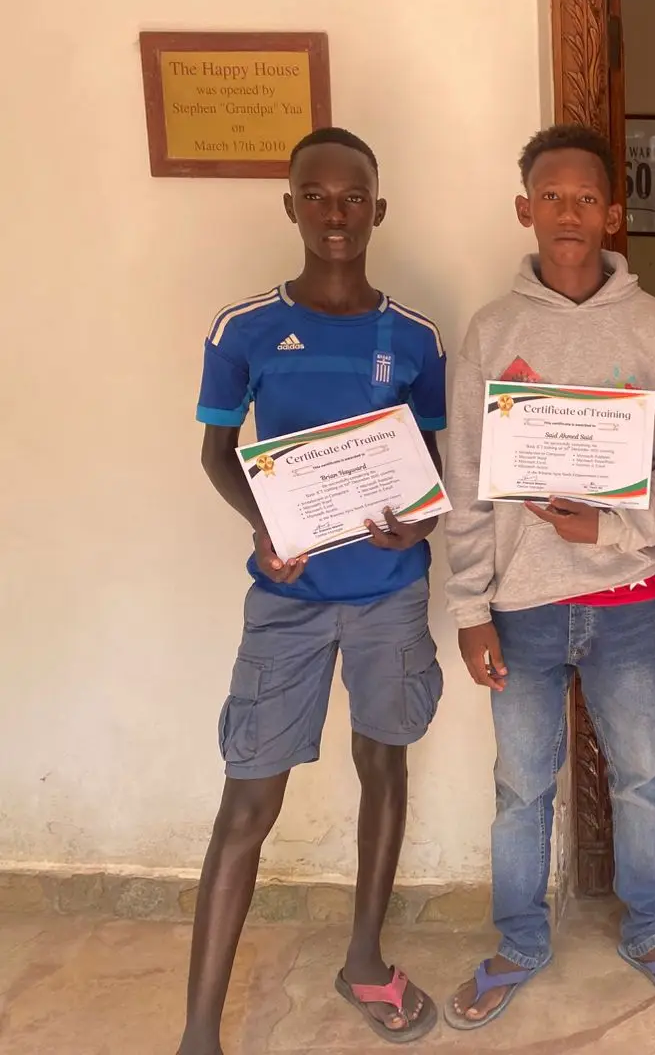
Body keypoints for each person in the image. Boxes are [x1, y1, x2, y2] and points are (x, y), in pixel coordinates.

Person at [442, 123, 655, 1029]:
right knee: (522, 788)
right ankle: (520, 940)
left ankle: (650, 929)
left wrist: (613, 526)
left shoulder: (653, 327)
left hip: (627, 600)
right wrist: (469, 607)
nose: (569, 213)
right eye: (552, 197)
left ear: (613, 214)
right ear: (525, 209)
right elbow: (467, 478)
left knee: (641, 778)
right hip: (521, 605)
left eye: (586, 198)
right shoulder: (493, 333)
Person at [180, 128, 446, 1053]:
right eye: (318, 196)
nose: (337, 214)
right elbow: (218, 454)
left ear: (380, 209)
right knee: (248, 803)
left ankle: (364, 959)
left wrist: (421, 525)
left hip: (389, 594)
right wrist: (264, 525)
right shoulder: (245, 329)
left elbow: (428, 468)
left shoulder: (415, 339)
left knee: (384, 764)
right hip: (287, 599)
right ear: (290, 206)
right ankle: (200, 1032)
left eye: (353, 197)